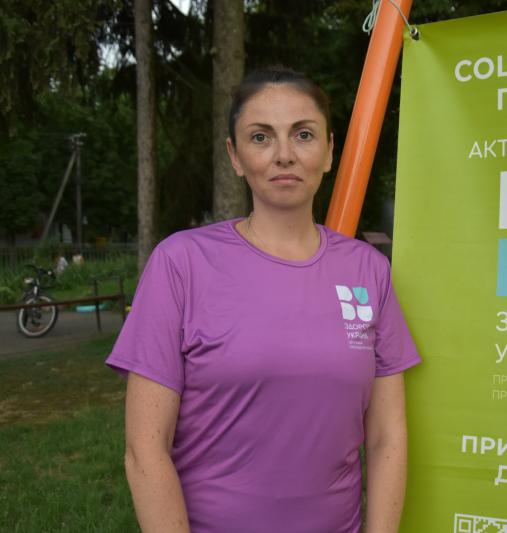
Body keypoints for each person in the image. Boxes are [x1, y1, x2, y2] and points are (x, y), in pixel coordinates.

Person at [106, 66, 421, 533]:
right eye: (261, 137)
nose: (284, 155)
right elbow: (145, 449)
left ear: (329, 151)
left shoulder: (368, 270)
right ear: (235, 156)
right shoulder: (181, 263)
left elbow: (386, 437)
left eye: (303, 134)